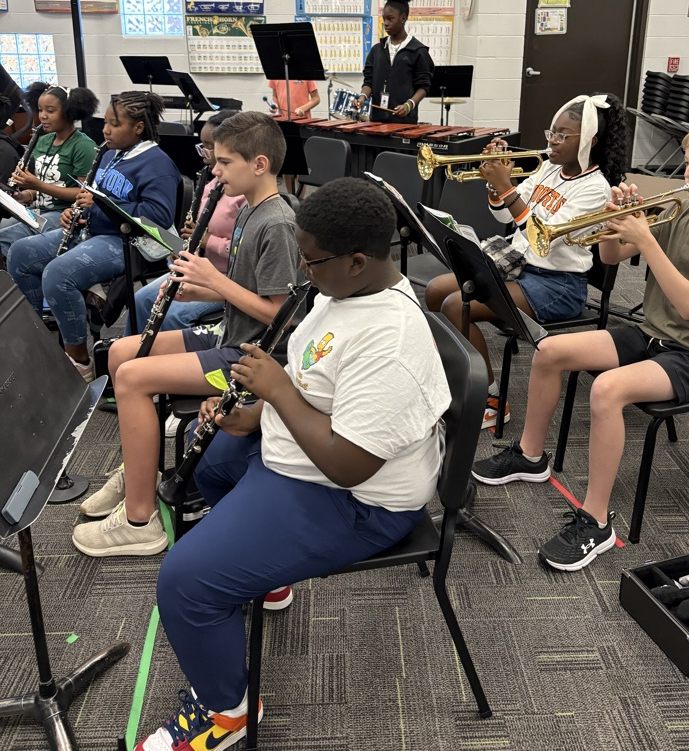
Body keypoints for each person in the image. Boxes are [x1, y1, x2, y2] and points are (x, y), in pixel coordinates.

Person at [129, 177, 451, 750]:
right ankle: (266, 579)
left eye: (311, 261)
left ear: (356, 261)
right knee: (215, 465)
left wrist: (274, 394)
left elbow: (350, 466)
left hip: (359, 500)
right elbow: (317, 387)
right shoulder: (343, 290)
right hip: (307, 456)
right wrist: (253, 415)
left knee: (184, 582)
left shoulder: (392, 341)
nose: (303, 272)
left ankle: (228, 716)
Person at [472, 119, 689, 572]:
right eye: (688, 163)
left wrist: (645, 238)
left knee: (606, 390)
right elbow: (610, 259)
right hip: (649, 337)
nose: (688, 174)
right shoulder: (680, 208)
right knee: (550, 351)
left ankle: (597, 520)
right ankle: (530, 456)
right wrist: (619, 224)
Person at [71, 111, 299, 557]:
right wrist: (194, 288)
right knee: (121, 352)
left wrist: (214, 283)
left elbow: (281, 317)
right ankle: (142, 469)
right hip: (229, 332)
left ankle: (139, 519)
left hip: (254, 357)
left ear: (258, 165)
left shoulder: (277, 223)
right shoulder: (251, 210)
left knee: (134, 379)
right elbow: (247, 288)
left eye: (224, 163)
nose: (214, 172)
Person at [426, 93, 629, 427]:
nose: (553, 141)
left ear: (590, 140)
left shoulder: (596, 188)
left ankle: (490, 400)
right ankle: (454, 373)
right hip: (519, 266)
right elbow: (504, 213)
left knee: (453, 305)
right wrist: (495, 185)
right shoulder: (548, 168)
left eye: (564, 135)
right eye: (552, 132)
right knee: (436, 291)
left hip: (558, 284)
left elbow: (543, 234)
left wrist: (507, 188)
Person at [7, 92, 181, 381]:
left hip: (126, 240)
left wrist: (99, 207)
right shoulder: (111, 153)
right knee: (20, 253)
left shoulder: (157, 164)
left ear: (138, 127)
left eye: (115, 124)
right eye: (106, 122)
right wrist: (75, 213)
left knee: (58, 274)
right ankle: (40, 339)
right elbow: (92, 196)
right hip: (92, 229)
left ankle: (79, 360)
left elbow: (158, 218)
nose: (106, 129)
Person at [125, 110, 246, 337]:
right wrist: (183, 251)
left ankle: (168, 365)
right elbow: (197, 235)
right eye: (202, 145)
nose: (204, 154)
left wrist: (207, 240)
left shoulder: (243, 196)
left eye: (209, 146)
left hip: (227, 277)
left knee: (173, 316)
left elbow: (244, 253)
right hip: (199, 267)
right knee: (140, 300)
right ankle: (133, 356)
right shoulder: (211, 187)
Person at [0, 83, 99, 258]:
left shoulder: (83, 146)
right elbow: (41, 186)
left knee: (6, 238)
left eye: (50, 111)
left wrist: (37, 185)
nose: (43, 116)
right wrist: (25, 196)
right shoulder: (43, 141)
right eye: (40, 110)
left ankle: (22, 278)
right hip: (39, 210)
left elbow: (85, 194)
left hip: (64, 214)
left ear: (69, 111)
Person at [354, 0, 434, 124]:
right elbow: (369, 82)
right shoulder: (377, 50)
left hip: (403, 122)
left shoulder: (418, 51)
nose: (385, 23)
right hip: (377, 121)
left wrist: (409, 105)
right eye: (384, 18)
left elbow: (424, 87)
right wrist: (362, 97)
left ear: (403, 18)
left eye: (390, 19)